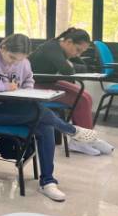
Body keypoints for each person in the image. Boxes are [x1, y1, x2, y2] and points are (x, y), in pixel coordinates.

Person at [0, 34, 105, 202]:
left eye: (19, 60)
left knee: (45, 126)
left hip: (15, 108)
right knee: (39, 114)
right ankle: (71, 130)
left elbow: (28, 81)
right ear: (3, 47)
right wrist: (4, 86)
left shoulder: (23, 62)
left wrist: (27, 92)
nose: (13, 63)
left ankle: (48, 181)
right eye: (11, 58)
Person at [28, 27, 108, 155]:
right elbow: (68, 71)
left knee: (87, 97)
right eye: (78, 50)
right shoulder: (52, 47)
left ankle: (88, 138)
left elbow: (83, 67)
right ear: (69, 42)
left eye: (81, 52)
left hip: (48, 82)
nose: (78, 54)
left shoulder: (64, 51)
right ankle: (81, 141)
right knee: (81, 99)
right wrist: (69, 65)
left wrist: (69, 64)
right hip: (33, 85)